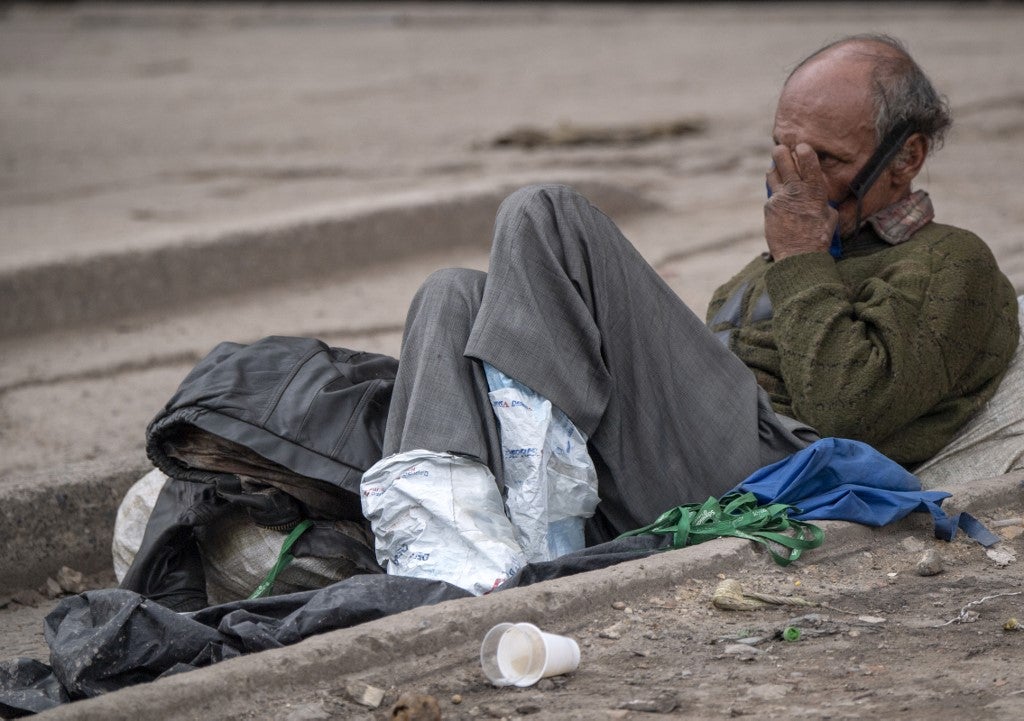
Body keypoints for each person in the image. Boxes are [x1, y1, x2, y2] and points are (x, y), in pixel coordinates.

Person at [360, 34, 1020, 593]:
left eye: (828, 161)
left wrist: (798, 257)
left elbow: (852, 412)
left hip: (788, 474)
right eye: (785, 150)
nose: (796, 178)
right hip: (678, 468)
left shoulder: (949, 262)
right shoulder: (751, 277)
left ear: (905, 159)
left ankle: (542, 527)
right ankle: (447, 557)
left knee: (546, 213)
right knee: (449, 293)